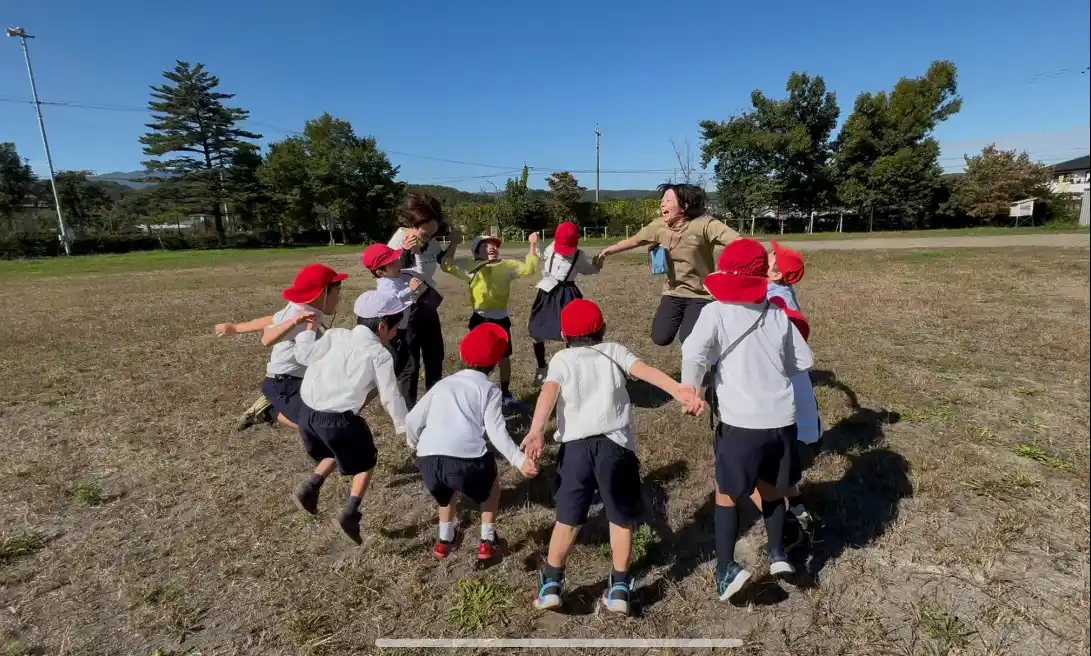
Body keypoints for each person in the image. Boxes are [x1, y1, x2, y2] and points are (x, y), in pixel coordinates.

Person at [521, 299, 705, 616]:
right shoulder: (614, 351)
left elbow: (548, 393)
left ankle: (552, 583)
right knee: (620, 518)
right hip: (616, 447)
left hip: (576, 450)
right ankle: (620, 586)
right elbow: (646, 372)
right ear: (603, 329)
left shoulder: (562, 359)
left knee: (568, 518)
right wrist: (679, 390)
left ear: (563, 334)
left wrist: (537, 430)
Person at [680, 238, 813, 602]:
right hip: (781, 420)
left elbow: (693, 352)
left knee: (726, 494)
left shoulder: (716, 312)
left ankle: (725, 569)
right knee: (771, 488)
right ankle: (777, 554)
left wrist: (689, 390)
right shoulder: (777, 313)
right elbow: (801, 362)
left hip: (739, 422)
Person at [406, 323, 539, 561]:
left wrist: (415, 445)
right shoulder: (489, 389)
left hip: (429, 460)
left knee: (447, 492)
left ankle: (445, 539)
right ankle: (488, 540)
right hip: (467, 461)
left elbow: (412, 420)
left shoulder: (442, 385)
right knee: (491, 486)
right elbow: (497, 432)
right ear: (496, 362)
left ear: (460, 354)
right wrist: (519, 460)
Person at [289, 289, 411, 545]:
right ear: (381, 325)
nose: (395, 333)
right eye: (394, 327)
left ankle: (311, 485)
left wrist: (309, 330)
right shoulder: (379, 354)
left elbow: (303, 355)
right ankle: (350, 512)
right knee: (365, 462)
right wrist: (406, 428)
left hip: (307, 415)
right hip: (339, 420)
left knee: (335, 449)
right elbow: (390, 395)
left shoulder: (335, 335)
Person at [594, 183, 739, 347]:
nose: (662, 203)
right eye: (662, 200)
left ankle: (710, 361)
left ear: (684, 206)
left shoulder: (705, 224)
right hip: (673, 292)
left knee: (691, 341)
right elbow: (634, 240)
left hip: (700, 294)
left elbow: (740, 242)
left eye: (669, 200)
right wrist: (607, 251)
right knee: (660, 338)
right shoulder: (658, 225)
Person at [219, 263, 348, 433]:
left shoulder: (302, 307)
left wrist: (236, 328)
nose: (339, 298)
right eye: (337, 293)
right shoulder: (298, 315)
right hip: (283, 383)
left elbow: (270, 320)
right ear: (322, 293)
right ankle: (270, 411)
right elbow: (266, 339)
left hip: (302, 380)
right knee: (320, 426)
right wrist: (294, 322)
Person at [442, 232, 539, 410]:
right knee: (478, 358)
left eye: (494, 245)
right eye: (485, 246)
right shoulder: (471, 268)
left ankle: (505, 393)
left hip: (501, 318)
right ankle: (476, 393)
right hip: (480, 318)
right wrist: (453, 243)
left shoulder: (506, 266)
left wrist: (532, 245)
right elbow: (446, 265)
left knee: (504, 357)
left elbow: (529, 268)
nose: (492, 247)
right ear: (476, 252)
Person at [765, 240, 821, 528]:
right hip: (789, 381)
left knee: (770, 459)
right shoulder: (781, 290)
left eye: (772, 256)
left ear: (776, 274)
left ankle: (780, 519)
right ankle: (795, 503)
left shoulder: (775, 299)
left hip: (779, 384)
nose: (768, 253)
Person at [387, 193, 461, 406]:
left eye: (433, 231)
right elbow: (384, 272)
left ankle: (434, 405)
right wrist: (404, 251)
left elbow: (444, 263)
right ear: (413, 223)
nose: (429, 235)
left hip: (427, 306)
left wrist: (453, 244)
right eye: (425, 231)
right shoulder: (399, 239)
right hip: (405, 309)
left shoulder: (433, 242)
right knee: (410, 365)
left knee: (434, 357)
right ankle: (408, 415)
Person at [528, 221, 601, 384]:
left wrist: (597, 265)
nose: (565, 252)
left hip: (568, 295)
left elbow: (587, 269)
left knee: (572, 333)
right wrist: (535, 244)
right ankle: (541, 367)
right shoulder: (550, 248)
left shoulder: (579, 255)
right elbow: (539, 255)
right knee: (535, 329)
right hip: (547, 293)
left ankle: (571, 370)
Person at [362, 243, 425, 406]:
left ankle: (405, 403)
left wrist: (417, 254)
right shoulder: (385, 284)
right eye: (391, 262)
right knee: (405, 370)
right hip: (395, 333)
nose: (397, 261)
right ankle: (406, 406)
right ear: (380, 272)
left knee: (407, 367)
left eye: (395, 258)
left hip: (404, 329)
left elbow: (420, 273)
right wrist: (410, 290)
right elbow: (392, 300)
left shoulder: (398, 276)